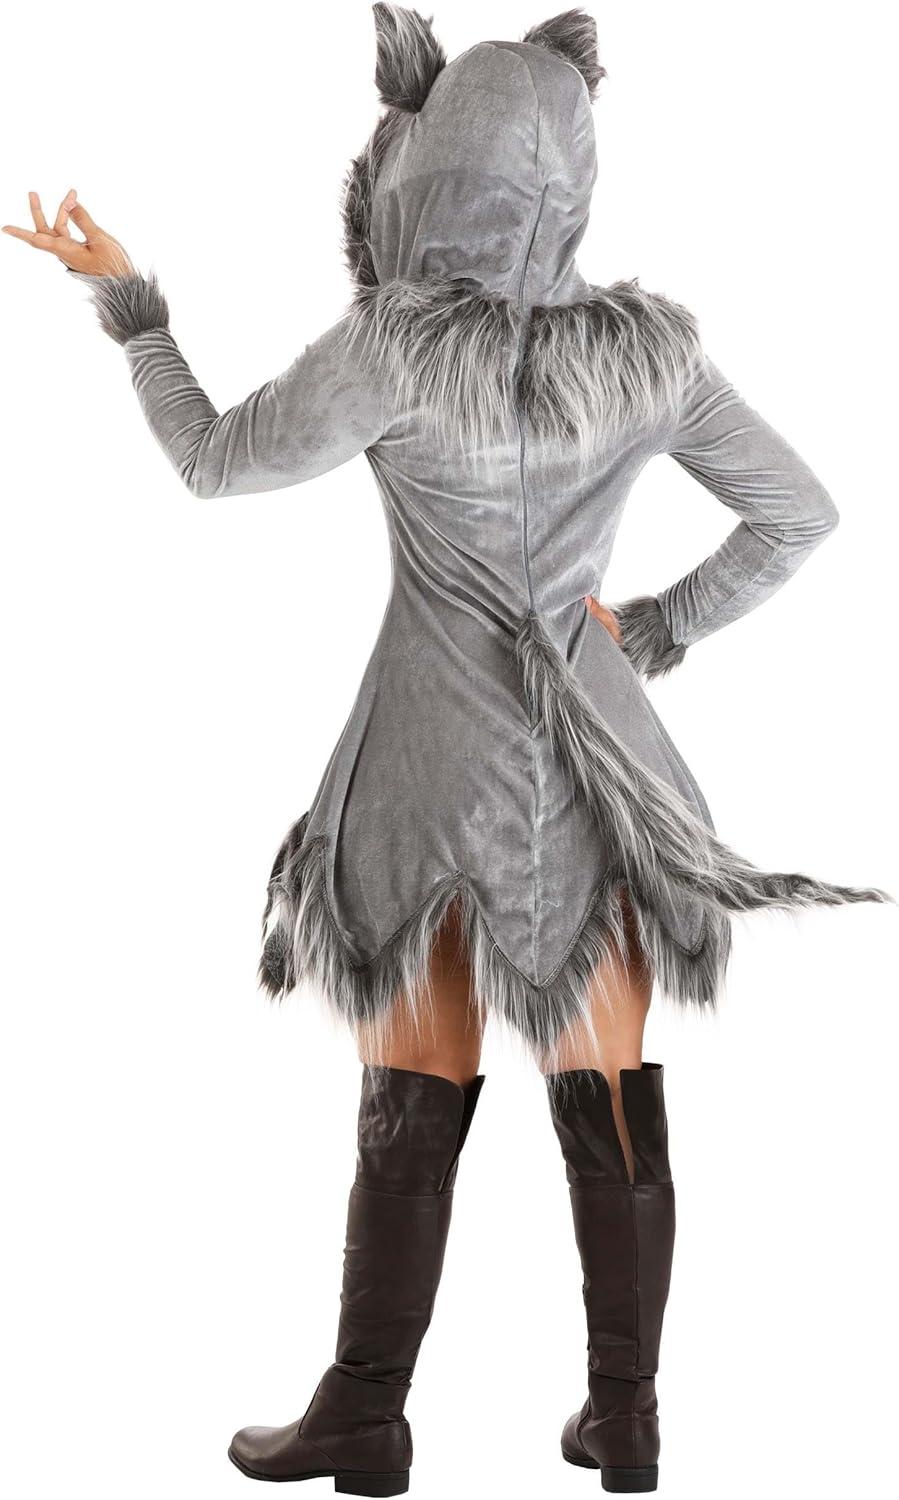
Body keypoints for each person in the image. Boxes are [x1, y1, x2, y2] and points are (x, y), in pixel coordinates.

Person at [5, 7, 886, 1494]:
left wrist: (134, 311)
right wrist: (652, 629)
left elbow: (212, 462)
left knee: (416, 1077)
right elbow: (799, 513)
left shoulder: (394, 349)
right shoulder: (650, 356)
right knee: (609, 1079)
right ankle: (627, 1418)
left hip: (429, 770)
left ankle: (366, 1412)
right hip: (603, 773)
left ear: (432, 170)